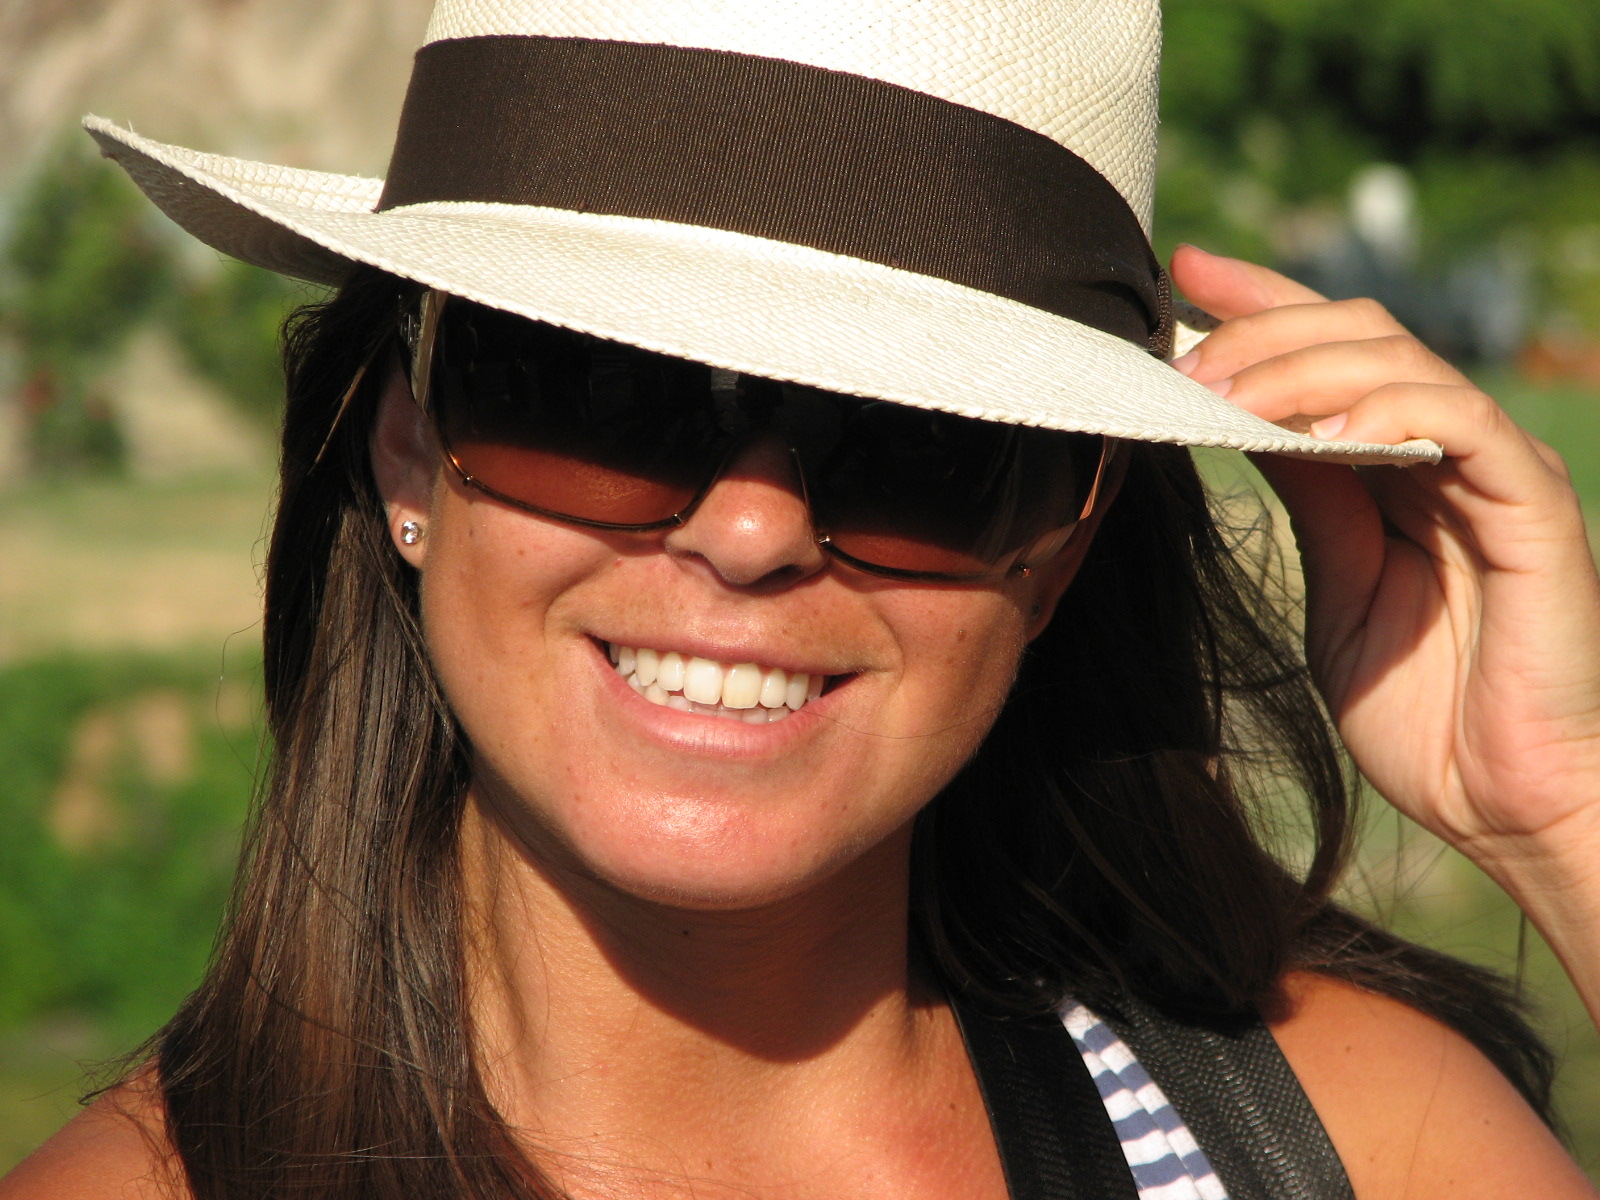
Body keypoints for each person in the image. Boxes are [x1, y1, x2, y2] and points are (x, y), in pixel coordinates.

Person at [6, 1, 1600, 1197]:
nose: (754, 531)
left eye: (922, 447)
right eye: (607, 392)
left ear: (1062, 546)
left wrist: (1564, 813)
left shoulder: (1336, 1145)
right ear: (409, 451)